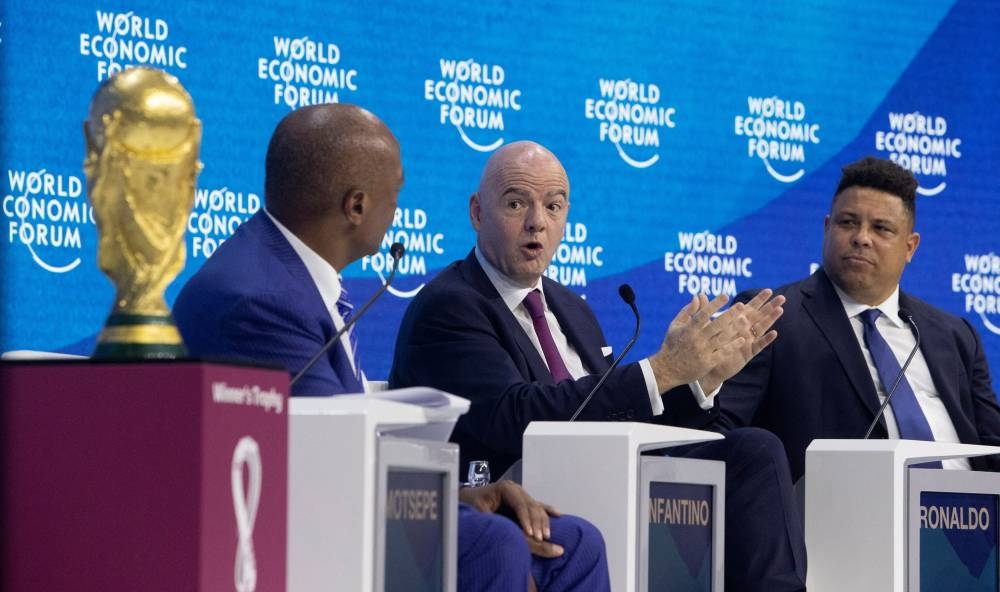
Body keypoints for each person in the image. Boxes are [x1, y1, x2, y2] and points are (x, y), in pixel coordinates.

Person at [173, 104, 610, 591]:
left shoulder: (289, 278)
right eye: (395, 193)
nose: (398, 210)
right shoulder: (263, 300)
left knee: (576, 546)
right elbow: (325, 468)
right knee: (495, 545)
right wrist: (444, 505)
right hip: (292, 531)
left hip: (340, 502)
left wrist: (459, 496)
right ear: (357, 206)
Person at [389, 140, 807, 591]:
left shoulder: (572, 309)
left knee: (753, 452)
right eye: (516, 203)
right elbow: (513, 415)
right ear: (476, 212)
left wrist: (698, 381)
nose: (537, 222)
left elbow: (620, 418)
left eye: (554, 206)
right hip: (516, 490)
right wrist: (662, 370)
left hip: (609, 475)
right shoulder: (451, 305)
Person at [680, 155, 1000, 481]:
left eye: (881, 228)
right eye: (848, 222)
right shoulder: (773, 318)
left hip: (968, 517)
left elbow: (992, 445)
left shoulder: (955, 335)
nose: (862, 237)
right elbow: (718, 439)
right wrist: (700, 382)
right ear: (826, 228)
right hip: (838, 514)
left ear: (910, 247)